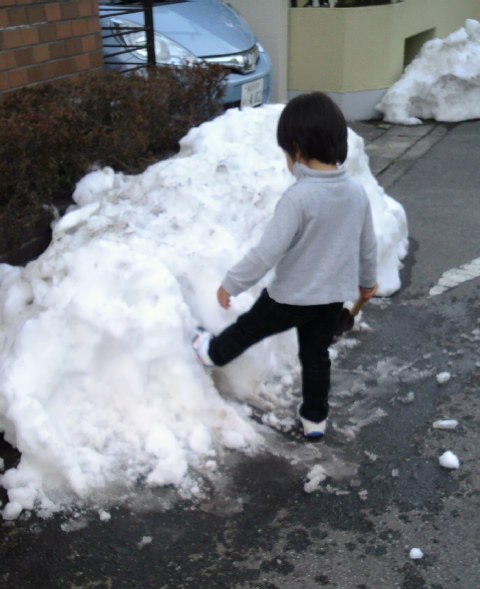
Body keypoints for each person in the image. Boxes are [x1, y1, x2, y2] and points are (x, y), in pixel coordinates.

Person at [193, 92, 377, 439]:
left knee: (249, 328)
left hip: (289, 298)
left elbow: (266, 253)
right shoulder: (355, 193)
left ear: (296, 151)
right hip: (330, 300)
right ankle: (314, 421)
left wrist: (231, 283)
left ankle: (212, 353)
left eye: (285, 154)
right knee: (316, 357)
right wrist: (366, 283)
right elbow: (367, 245)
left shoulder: (298, 198)